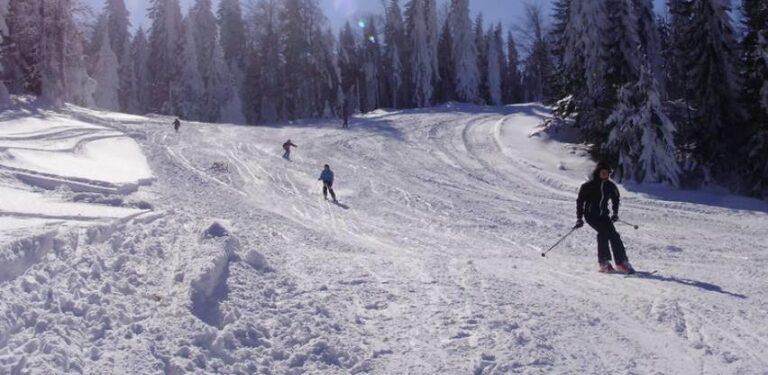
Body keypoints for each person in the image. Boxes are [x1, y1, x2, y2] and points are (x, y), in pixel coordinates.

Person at [575, 162, 634, 274]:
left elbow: (616, 199)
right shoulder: (588, 186)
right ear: (598, 172)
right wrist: (579, 218)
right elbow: (580, 202)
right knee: (603, 232)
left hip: (604, 216)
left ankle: (621, 262)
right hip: (591, 215)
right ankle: (603, 262)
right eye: (602, 172)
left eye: (606, 172)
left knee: (614, 235)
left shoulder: (610, 186)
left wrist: (615, 213)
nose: (605, 174)